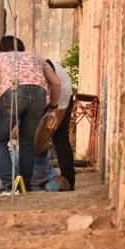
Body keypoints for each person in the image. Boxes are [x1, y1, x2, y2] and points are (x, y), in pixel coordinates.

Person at [0, 36, 61, 193]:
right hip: (39, 95)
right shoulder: (36, 58)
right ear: (21, 46)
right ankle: (25, 185)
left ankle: (9, 186)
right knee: (27, 142)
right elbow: (56, 83)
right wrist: (52, 108)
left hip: (13, 92)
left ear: (1, 48)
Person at [42, 58, 76, 190]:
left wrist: (52, 109)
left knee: (59, 138)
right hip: (58, 96)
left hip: (61, 98)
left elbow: (55, 87)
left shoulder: (40, 65)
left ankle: (67, 179)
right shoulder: (41, 64)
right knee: (60, 139)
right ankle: (68, 180)